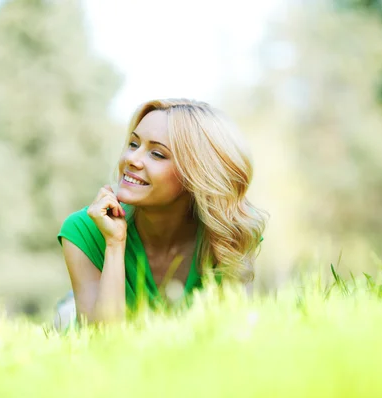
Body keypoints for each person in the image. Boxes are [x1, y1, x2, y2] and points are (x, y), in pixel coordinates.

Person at [55, 98, 267, 330]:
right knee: (67, 316)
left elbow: (233, 333)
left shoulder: (232, 228)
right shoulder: (84, 229)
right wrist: (115, 244)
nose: (131, 159)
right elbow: (103, 341)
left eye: (157, 154)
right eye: (134, 144)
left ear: (197, 174)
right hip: (87, 319)